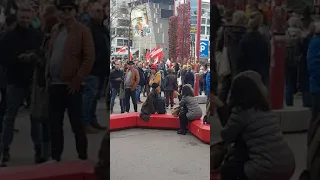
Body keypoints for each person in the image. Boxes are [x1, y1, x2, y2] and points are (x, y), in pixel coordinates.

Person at [215, 71, 295, 180]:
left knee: (228, 170)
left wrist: (220, 106)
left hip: (266, 168)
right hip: (288, 163)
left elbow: (227, 136)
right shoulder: (265, 108)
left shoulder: (241, 112)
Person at [46, 0, 94, 162]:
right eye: (63, 10)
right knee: (55, 124)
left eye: (69, 9)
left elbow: (89, 58)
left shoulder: (82, 31)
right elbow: (50, 54)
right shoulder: (55, 30)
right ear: (59, 12)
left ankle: (82, 157)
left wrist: (78, 79)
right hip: (55, 84)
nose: (66, 13)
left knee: (77, 124)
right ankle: (55, 157)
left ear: (75, 11)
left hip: (73, 85)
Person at [0, 5, 42, 166]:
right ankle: (5, 151)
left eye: (27, 17)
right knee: (10, 117)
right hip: (14, 80)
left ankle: (38, 151)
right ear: (18, 17)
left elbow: (41, 53)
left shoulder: (36, 35)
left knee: (35, 117)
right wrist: (19, 58)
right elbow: (3, 58)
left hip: (31, 80)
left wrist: (34, 57)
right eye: (22, 17)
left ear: (31, 18)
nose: (24, 20)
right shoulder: (8, 36)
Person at [82, 1, 108, 133]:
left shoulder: (102, 28)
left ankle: (92, 120)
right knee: (89, 97)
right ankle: (84, 122)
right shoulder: (89, 28)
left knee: (95, 98)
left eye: (101, 11)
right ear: (91, 13)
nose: (101, 13)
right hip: (93, 69)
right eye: (98, 11)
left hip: (101, 70)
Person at [303, 22, 320, 180]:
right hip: (318, 88)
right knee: (315, 121)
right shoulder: (316, 42)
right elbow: (313, 66)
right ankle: (312, 148)